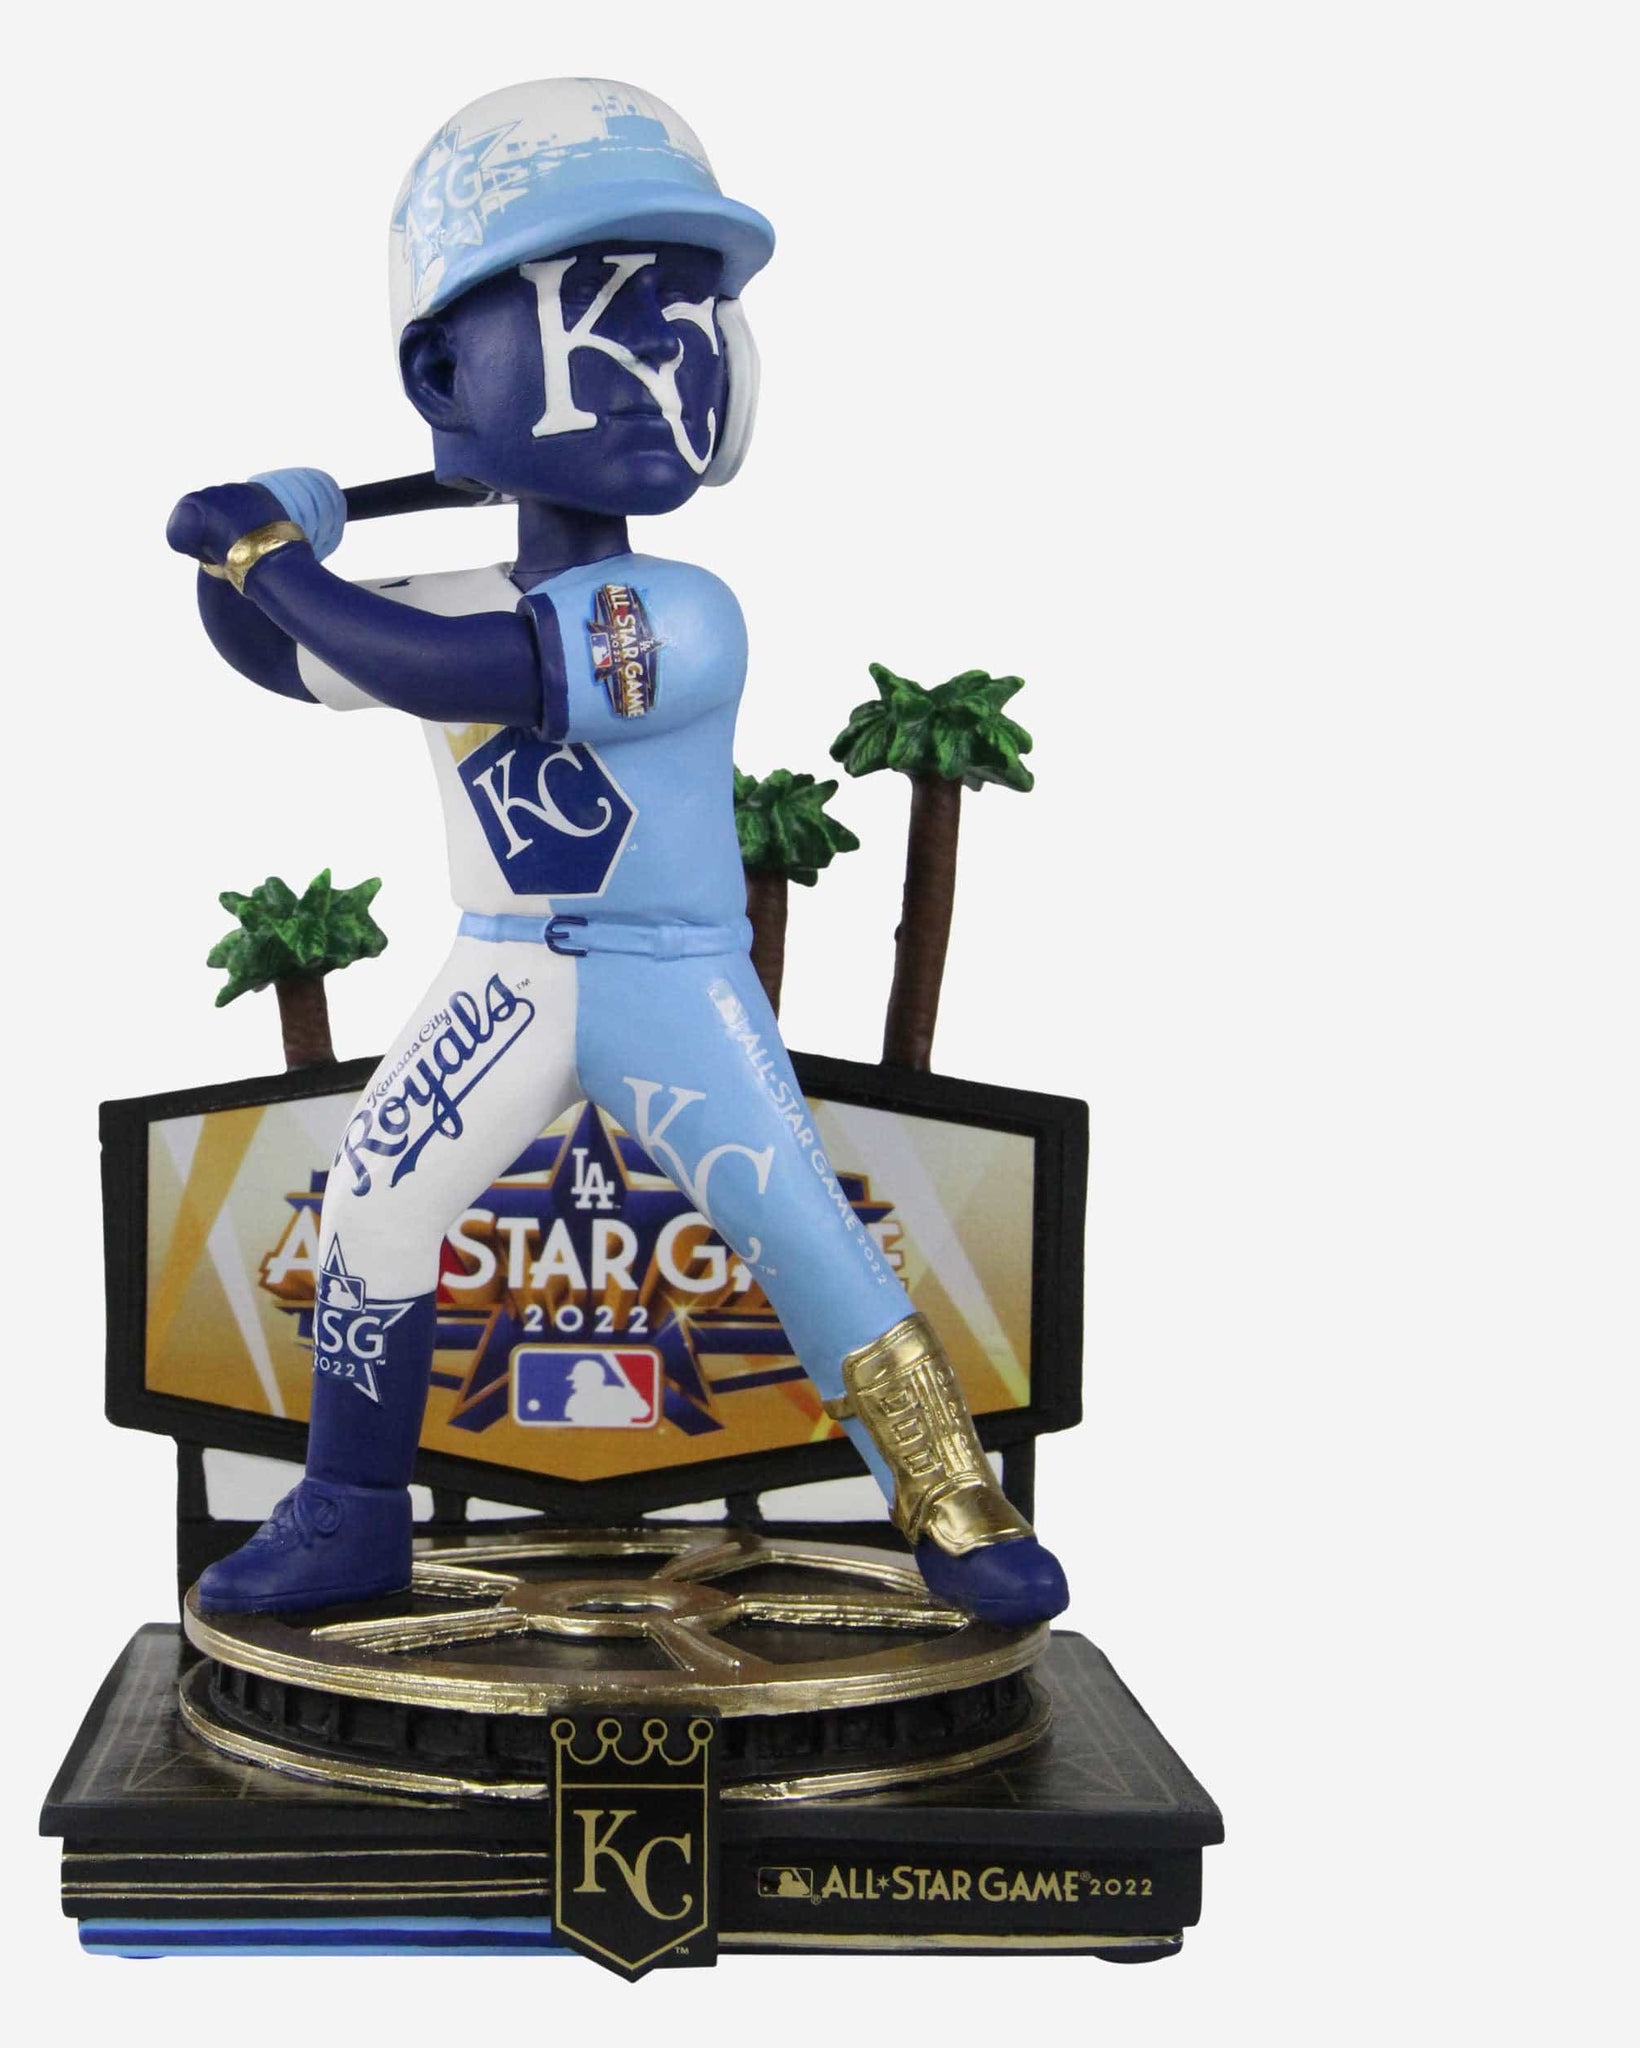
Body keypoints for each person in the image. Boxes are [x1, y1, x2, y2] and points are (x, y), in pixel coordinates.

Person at [166, 78, 1069, 1628]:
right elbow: (277, 651)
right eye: (610, 309)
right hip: (504, 971)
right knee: (372, 1208)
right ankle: (351, 1514)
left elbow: (441, 666)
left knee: (797, 1225)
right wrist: (264, 544)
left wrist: (266, 547)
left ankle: (952, 1501)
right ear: (447, 370)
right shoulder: (460, 594)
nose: (674, 354)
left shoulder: (684, 611)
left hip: (671, 977)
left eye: (695, 312)